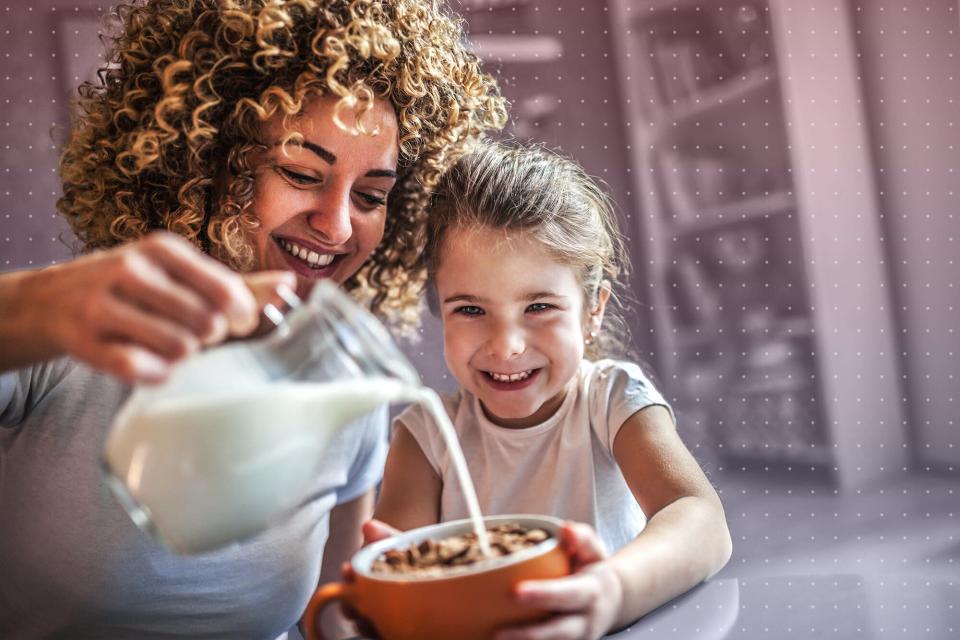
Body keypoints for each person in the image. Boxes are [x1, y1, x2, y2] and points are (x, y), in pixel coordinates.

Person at [0, 0, 506, 637]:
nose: (339, 225)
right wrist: (32, 308)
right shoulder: (70, 332)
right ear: (205, 160)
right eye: (300, 173)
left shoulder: (344, 378)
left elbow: (331, 616)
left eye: (372, 196)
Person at [369, 141, 733, 640]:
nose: (507, 346)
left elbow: (701, 521)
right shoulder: (426, 434)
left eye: (538, 307)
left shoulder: (612, 400)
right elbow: (404, 584)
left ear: (592, 309)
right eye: (471, 310)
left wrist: (612, 592)